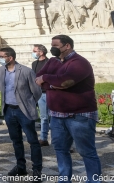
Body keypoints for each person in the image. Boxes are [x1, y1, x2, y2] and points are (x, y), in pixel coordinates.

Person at [35, 35, 102, 183]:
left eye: (56, 45)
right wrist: (52, 82)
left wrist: (47, 79)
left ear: (67, 46)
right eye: (51, 45)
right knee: (60, 150)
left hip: (79, 116)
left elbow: (66, 82)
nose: (52, 48)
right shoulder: (52, 61)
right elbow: (38, 79)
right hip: (57, 116)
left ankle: (94, 180)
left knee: (87, 152)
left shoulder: (79, 62)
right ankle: (64, 179)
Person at [0, 47, 42, 178]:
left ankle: (37, 169)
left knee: (33, 141)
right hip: (9, 110)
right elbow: (2, 88)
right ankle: (21, 167)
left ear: (10, 58)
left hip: (24, 111)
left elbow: (37, 91)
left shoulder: (26, 71)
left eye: (2, 56)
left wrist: (29, 103)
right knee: (16, 140)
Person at [32, 44, 50, 146]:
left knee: (51, 117)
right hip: (38, 93)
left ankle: (53, 138)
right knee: (43, 117)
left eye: (35, 51)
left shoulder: (49, 62)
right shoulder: (34, 63)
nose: (33, 53)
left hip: (48, 93)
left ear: (41, 52)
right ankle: (43, 138)